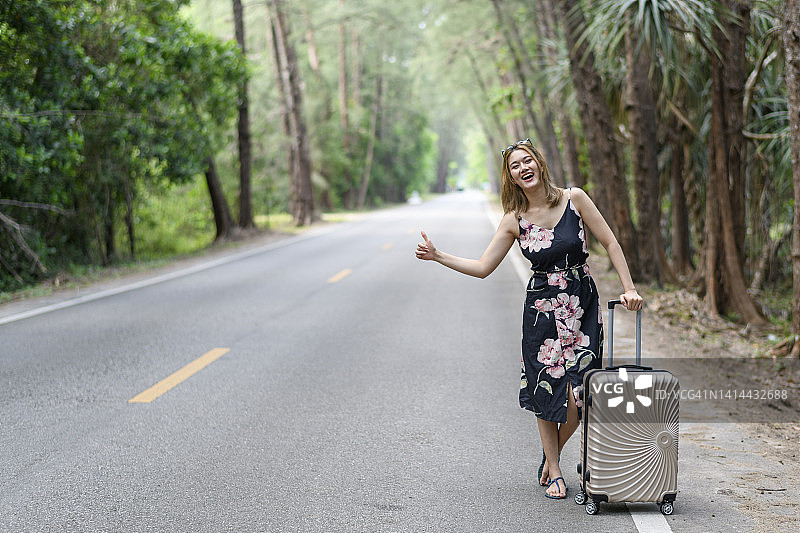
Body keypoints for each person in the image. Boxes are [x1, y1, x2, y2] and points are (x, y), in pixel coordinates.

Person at [415, 138, 642, 499]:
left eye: (527, 161)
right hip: (541, 313)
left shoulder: (575, 199)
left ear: (538, 162)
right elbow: (483, 267)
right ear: (512, 179)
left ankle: (550, 457)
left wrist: (628, 288)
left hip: (582, 304)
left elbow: (611, 243)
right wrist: (438, 255)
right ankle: (553, 469)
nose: (523, 168)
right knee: (547, 387)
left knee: (582, 394)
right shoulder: (513, 220)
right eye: (515, 167)